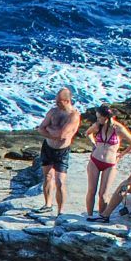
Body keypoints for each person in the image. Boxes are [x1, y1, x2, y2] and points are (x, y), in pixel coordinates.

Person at [85, 105, 131, 221]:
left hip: (109, 164)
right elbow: (88, 133)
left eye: (99, 117)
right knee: (91, 190)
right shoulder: (97, 126)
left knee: (103, 194)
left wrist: (121, 155)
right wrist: (94, 143)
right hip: (95, 160)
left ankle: (102, 216)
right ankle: (89, 215)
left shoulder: (118, 128)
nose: (98, 119)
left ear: (106, 117)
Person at [35, 88, 82, 216]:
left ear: (67, 101)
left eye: (59, 101)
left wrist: (49, 129)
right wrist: (52, 132)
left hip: (62, 151)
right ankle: (47, 204)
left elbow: (62, 135)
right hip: (48, 148)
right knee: (48, 176)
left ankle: (60, 211)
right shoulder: (53, 112)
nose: (56, 104)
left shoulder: (73, 116)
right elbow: (40, 129)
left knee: (60, 181)